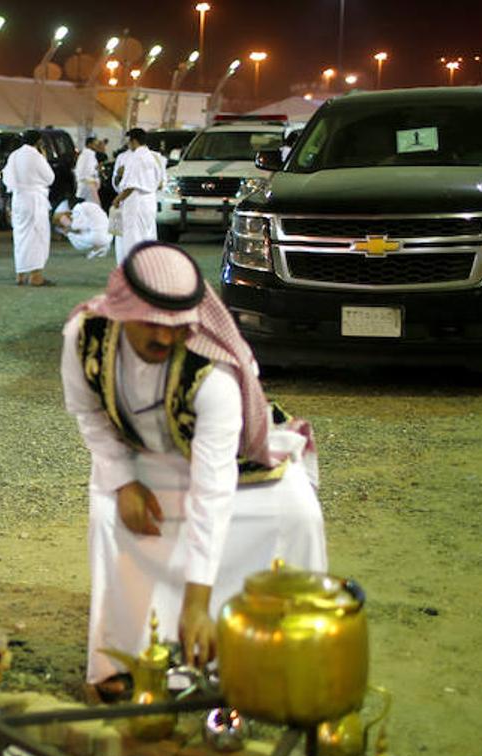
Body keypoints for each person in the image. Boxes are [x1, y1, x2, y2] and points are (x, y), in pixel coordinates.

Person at [61, 242, 327, 697]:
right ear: (123, 311)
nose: (166, 339)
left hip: (233, 465)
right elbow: (89, 414)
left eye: (179, 327)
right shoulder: (85, 337)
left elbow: (213, 486)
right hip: (141, 461)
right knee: (108, 515)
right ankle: (125, 660)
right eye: (152, 324)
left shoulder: (212, 374)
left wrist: (197, 602)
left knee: (298, 513)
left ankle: (282, 655)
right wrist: (123, 481)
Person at [2, 130, 55, 286]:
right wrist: (43, 156)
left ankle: (20, 274)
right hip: (34, 200)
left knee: (20, 235)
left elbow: (7, 179)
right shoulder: (36, 156)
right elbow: (50, 178)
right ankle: (35, 276)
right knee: (36, 236)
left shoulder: (14, 155)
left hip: (18, 199)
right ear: (38, 142)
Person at [111, 129, 162, 264]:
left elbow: (131, 185)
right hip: (149, 201)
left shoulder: (136, 158)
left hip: (135, 202)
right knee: (148, 235)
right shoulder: (154, 157)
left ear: (133, 141)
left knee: (132, 237)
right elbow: (160, 182)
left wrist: (118, 199)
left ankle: (132, 270)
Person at [75, 136, 101, 204]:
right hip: (88, 185)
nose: (97, 146)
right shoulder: (88, 154)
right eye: (95, 144)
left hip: (87, 185)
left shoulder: (87, 154)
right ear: (89, 144)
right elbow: (89, 172)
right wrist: (94, 181)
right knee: (94, 206)